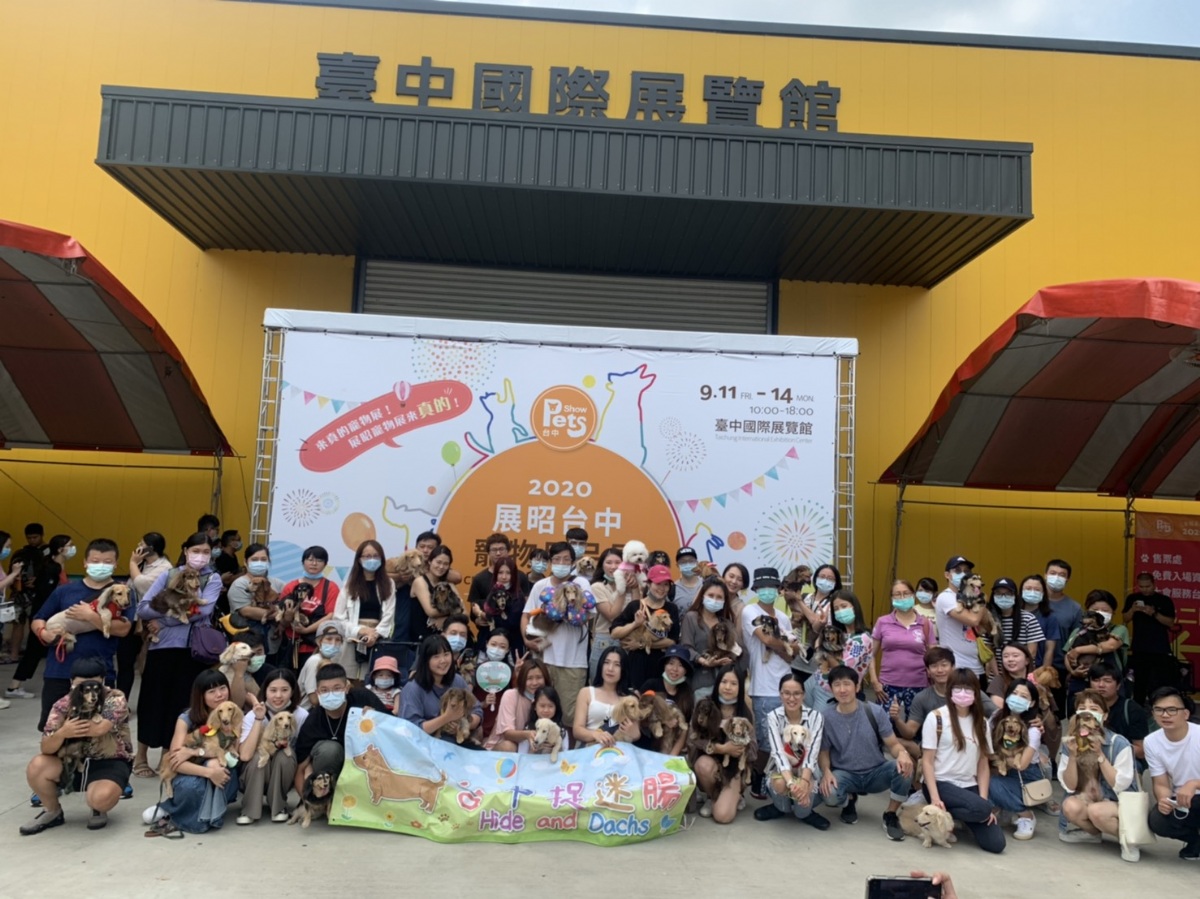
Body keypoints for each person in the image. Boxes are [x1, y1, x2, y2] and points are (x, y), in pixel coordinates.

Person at [135, 534, 220, 778]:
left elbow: (202, 611)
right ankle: (140, 757)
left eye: (206, 551)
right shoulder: (168, 574)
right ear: (185, 550)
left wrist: (163, 622)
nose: (200, 556)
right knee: (152, 700)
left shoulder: (212, 578)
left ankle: (168, 756)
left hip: (192, 650)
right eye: (196, 550)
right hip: (162, 648)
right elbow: (144, 608)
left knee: (180, 704)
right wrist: (169, 614)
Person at [19, 657, 133, 835]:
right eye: (82, 685)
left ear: (103, 681)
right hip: (71, 760)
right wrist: (62, 733)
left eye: (94, 685)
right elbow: (46, 748)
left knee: (100, 799)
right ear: (72, 683)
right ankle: (52, 811)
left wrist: (71, 728)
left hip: (109, 761)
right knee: (37, 766)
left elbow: (99, 729)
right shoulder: (62, 704)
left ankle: (98, 808)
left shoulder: (115, 698)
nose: (90, 692)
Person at [143, 670, 262, 837]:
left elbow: (234, 754)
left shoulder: (234, 715)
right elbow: (176, 761)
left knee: (217, 766)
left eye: (222, 688)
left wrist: (197, 753)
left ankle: (174, 810)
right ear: (201, 695)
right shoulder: (186, 718)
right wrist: (209, 772)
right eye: (212, 691)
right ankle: (175, 809)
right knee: (195, 785)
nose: (219, 695)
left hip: (223, 772)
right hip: (191, 773)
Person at [31, 538, 131, 731]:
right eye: (95, 561)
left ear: (116, 564)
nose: (101, 565)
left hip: (99, 675)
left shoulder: (122, 592)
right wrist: (44, 634)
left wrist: (90, 616)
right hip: (60, 672)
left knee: (98, 731)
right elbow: (38, 619)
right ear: (85, 562)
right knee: (53, 730)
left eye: (107, 562)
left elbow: (124, 629)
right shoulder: (64, 591)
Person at [818, 665, 912, 839]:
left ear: (857, 686)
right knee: (829, 794)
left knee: (904, 767)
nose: (842, 689)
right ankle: (849, 799)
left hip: (876, 772)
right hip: (845, 773)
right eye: (837, 685)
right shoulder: (826, 717)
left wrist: (903, 754)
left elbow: (893, 744)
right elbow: (824, 751)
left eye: (847, 684)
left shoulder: (874, 711)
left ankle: (890, 814)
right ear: (831, 689)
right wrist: (826, 771)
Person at [920, 668, 1004, 853]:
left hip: (968, 785)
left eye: (968, 689)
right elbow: (927, 761)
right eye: (957, 688)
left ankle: (950, 817)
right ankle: (947, 813)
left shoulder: (981, 723)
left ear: (976, 693)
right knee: (980, 809)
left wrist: (983, 801)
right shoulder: (936, 718)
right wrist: (934, 798)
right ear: (949, 690)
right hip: (941, 783)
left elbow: (983, 764)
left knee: (996, 844)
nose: (963, 693)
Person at [1057, 688, 1139, 860]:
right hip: (1087, 796)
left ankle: (1129, 840)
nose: (1087, 714)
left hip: (1115, 800)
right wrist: (1072, 755)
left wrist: (1100, 754)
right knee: (1070, 806)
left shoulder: (1119, 743)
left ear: (1105, 715)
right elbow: (1069, 785)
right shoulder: (1070, 742)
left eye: (1094, 709)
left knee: (1097, 811)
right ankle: (1092, 834)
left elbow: (1120, 784)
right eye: (1082, 709)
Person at [520, 541, 594, 723]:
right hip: (543, 659)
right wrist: (527, 640)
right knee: (539, 710)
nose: (561, 563)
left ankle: (567, 743)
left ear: (573, 562)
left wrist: (569, 614)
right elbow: (526, 615)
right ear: (550, 562)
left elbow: (590, 614)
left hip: (573, 662)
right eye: (557, 559)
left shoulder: (581, 583)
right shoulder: (541, 586)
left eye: (566, 560)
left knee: (569, 715)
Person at [740, 567, 797, 799]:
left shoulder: (783, 617)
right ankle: (758, 779)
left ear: (778, 590)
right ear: (756, 589)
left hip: (787, 686)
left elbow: (793, 654)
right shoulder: (749, 611)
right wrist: (784, 646)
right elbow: (766, 639)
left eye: (772, 587)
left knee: (785, 738)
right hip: (763, 688)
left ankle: (779, 781)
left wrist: (783, 647)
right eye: (763, 587)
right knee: (765, 740)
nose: (767, 591)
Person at [293, 663, 387, 801]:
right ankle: (327, 800)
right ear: (317, 693)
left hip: (363, 762)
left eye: (337, 688)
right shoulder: (313, 720)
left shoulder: (364, 699)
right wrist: (308, 803)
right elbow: (300, 769)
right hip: (332, 768)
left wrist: (377, 719)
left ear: (347, 688)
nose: (331, 694)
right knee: (329, 750)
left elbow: (393, 730)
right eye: (324, 690)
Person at [754, 671, 828, 828]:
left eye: (797, 693)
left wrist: (804, 781)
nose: (792, 698)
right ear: (780, 695)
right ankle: (780, 807)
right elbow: (778, 753)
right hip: (781, 770)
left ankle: (804, 812)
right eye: (786, 693)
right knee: (780, 784)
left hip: (806, 770)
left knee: (802, 811)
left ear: (803, 695)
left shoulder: (816, 717)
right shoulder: (773, 717)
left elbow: (812, 752)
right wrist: (791, 783)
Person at [236, 668, 309, 824]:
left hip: (284, 774)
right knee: (258, 757)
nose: (278, 696)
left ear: (292, 691)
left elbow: (306, 752)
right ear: (265, 691)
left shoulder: (300, 715)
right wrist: (258, 718)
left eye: (284, 690)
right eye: (273, 690)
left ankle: (278, 807)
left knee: (286, 755)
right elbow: (245, 755)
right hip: (255, 774)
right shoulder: (252, 715)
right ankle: (249, 809)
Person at [8, 533, 72, 700]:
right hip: (45, 614)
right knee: (34, 650)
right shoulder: (52, 568)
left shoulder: (57, 566)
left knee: (47, 649)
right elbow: (47, 593)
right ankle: (14, 685)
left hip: (53, 614)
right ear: (60, 549)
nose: (73, 549)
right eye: (70, 546)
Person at [688, 665, 756, 823]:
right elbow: (693, 738)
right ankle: (712, 797)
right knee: (703, 765)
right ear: (717, 683)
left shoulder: (745, 711)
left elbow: (753, 749)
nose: (728, 687)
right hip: (711, 760)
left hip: (734, 768)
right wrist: (722, 748)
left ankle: (734, 796)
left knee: (723, 816)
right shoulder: (705, 705)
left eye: (734, 683)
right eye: (724, 682)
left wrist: (740, 749)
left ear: (740, 687)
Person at [987, 680, 1050, 840]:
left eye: (1024, 696)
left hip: (1025, 775)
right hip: (1001, 769)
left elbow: (1021, 765)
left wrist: (996, 756)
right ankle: (1001, 810)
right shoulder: (996, 716)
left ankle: (1026, 816)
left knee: (991, 783)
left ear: (1032, 702)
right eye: (1014, 694)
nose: (1017, 698)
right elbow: (986, 742)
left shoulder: (1033, 728)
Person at [1145, 685, 1200, 860]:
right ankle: (1196, 842)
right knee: (1158, 821)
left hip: (1195, 793)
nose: (1165, 715)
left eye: (1172, 710)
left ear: (1186, 714)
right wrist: (1164, 800)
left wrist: (1194, 784)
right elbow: (1160, 783)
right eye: (1159, 710)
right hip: (1183, 800)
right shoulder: (1151, 741)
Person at [873, 579, 936, 718]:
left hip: (919, 685)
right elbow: (870, 655)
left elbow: (933, 657)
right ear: (891, 598)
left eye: (906, 593)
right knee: (885, 726)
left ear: (913, 595)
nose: (902, 597)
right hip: (887, 686)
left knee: (915, 727)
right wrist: (874, 681)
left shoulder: (925, 623)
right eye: (897, 594)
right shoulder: (882, 622)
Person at [334, 539, 395, 680]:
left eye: (376, 556)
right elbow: (338, 617)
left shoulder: (388, 583)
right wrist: (359, 630)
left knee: (371, 678)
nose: (372, 559)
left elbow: (389, 614)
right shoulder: (349, 584)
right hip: (351, 637)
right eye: (367, 556)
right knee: (347, 677)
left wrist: (374, 634)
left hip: (377, 638)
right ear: (359, 559)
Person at [400, 634, 482, 738]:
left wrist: (464, 726)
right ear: (425, 660)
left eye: (446, 654)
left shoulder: (457, 680)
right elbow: (410, 728)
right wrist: (446, 718)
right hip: (425, 743)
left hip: (457, 739)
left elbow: (477, 710)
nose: (443, 661)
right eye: (436, 657)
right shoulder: (412, 688)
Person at [611, 563, 680, 687]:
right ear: (648, 584)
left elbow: (672, 641)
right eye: (658, 583)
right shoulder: (635, 606)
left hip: (660, 665)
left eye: (666, 584)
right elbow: (614, 633)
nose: (662, 588)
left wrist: (641, 644)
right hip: (636, 665)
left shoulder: (672, 608)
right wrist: (635, 624)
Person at [122, 532, 171, 696]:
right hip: (132, 618)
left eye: (141, 544)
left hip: (150, 622)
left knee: (146, 663)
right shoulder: (142, 564)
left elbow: (142, 585)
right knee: (126, 662)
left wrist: (132, 563)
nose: (138, 546)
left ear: (151, 548)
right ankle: (122, 701)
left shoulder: (164, 567)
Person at [681, 575, 744, 698]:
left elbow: (741, 651)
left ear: (724, 601)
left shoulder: (727, 624)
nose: (714, 600)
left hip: (725, 686)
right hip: (701, 683)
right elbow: (686, 647)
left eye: (719, 597)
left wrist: (732, 657)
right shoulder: (691, 618)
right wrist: (704, 661)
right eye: (710, 595)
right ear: (702, 596)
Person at [280, 545, 340, 670]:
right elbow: (281, 619)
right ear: (303, 562)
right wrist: (287, 618)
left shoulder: (331, 587)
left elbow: (330, 615)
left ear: (325, 564)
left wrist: (306, 630)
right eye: (310, 559)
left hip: (316, 646)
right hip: (290, 645)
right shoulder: (290, 587)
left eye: (319, 560)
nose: (314, 563)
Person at [1063, 589, 1128, 706]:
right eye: (1094, 610)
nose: (1099, 613)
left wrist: (1078, 650)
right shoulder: (1078, 631)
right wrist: (1073, 672)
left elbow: (1110, 645)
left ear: (1113, 612)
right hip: (1081, 681)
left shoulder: (1118, 630)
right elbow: (1068, 655)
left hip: (1109, 683)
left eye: (1105, 610)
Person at [1123, 572, 1177, 705]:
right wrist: (1133, 610)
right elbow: (1125, 619)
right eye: (1141, 586)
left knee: (1158, 682)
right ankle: (1138, 708)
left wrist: (1154, 613)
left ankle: (1159, 706)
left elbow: (1170, 622)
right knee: (1139, 681)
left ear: (1154, 584)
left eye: (1147, 586)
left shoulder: (1164, 600)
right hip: (1139, 646)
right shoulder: (1132, 598)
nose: (1145, 589)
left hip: (1159, 647)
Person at [572, 645, 636, 748]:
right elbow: (577, 730)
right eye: (606, 662)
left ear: (623, 669)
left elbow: (636, 734)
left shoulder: (630, 699)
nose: (610, 668)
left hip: (619, 751)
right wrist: (595, 734)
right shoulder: (586, 692)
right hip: (590, 749)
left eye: (617, 665)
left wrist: (632, 732)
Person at [1088, 661, 1149, 767]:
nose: (1101, 685)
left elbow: (1141, 751)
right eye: (1096, 680)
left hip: (1125, 760)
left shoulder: (1132, 709)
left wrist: (1109, 749)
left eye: (1107, 681)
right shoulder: (1082, 707)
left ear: (1118, 685)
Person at [226, 543, 286, 650]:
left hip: (274, 642)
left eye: (263, 559)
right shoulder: (240, 584)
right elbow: (246, 611)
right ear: (245, 562)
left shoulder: (278, 583)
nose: (259, 562)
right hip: (248, 642)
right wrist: (279, 614)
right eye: (254, 559)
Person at [487, 658, 552, 751]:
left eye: (539, 678)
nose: (534, 683)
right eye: (529, 678)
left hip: (534, 747)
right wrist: (527, 734)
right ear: (522, 679)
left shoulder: (549, 696)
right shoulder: (510, 695)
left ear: (545, 679)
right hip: (506, 746)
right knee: (509, 747)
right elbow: (507, 733)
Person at [936, 555, 984, 675]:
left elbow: (986, 626)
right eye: (957, 571)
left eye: (966, 571)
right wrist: (982, 599)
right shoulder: (946, 597)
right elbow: (973, 620)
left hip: (976, 664)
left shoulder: (971, 597)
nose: (963, 574)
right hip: (957, 666)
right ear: (947, 575)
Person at [1043, 559, 1082, 709]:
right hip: (1028, 664)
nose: (1056, 577)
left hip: (1059, 668)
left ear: (1067, 579)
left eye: (1062, 575)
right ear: (1045, 575)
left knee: (1055, 712)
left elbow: (1077, 640)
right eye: (1053, 573)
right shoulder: (1030, 602)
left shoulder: (1074, 608)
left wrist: (1070, 669)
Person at [639, 645, 696, 746]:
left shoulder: (687, 693)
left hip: (671, 747)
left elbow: (684, 729)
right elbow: (638, 719)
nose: (675, 669)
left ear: (685, 670)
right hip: (644, 745)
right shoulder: (651, 685)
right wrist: (664, 721)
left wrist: (673, 754)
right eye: (671, 663)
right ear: (664, 666)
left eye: (680, 665)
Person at [588, 547, 627, 680]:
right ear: (602, 566)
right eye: (609, 562)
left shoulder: (633, 584)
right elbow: (612, 616)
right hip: (605, 639)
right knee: (598, 682)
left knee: (624, 684)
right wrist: (622, 589)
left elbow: (637, 610)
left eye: (617, 562)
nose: (613, 567)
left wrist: (633, 588)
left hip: (628, 639)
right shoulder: (597, 587)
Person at [467, 533, 532, 611]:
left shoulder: (520, 576)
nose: (498, 553)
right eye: (494, 550)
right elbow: (474, 607)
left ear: (508, 551)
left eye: (501, 549)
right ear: (488, 552)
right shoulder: (479, 579)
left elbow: (527, 606)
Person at [830, 589, 877, 694]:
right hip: (824, 687)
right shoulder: (838, 635)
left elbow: (843, 667)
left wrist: (826, 653)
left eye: (844, 606)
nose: (840, 611)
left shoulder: (862, 638)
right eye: (836, 609)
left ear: (854, 607)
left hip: (845, 692)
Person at [476, 554, 526, 652]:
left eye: (508, 573)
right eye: (500, 572)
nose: (504, 577)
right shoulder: (491, 591)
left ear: (514, 575)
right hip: (488, 643)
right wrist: (479, 617)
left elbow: (511, 622)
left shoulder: (518, 596)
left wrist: (482, 614)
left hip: (511, 645)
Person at [987, 577, 1044, 661]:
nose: (1003, 597)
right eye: (998, 593)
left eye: (1008, 593)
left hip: (1023, 668)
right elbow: (988, 651)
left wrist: (1016, 667)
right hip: (996, 668)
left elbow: (1032, 653)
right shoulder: (988, 620)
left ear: (1015, 596)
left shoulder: (1029, 619)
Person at [412, 544, 459, 633]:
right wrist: (455, 608)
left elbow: (465, 614)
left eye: (446, 564)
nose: (441, 567)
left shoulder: (449, 584)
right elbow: (431, 611)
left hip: (444, 635)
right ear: (430, 561)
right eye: (438, 562)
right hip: (421, 634)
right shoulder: (420, 581)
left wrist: (446, 619)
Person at [1019, 574, 1061, 671]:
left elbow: (1049, 649)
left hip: (1037, 668)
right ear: (1021, 591)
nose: (1032, 592)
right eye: (1028, 588)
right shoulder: (1013, 613)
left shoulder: (1050, 617)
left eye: (1037, 589)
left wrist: (1043, 672)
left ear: (1043, 593)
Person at [299, 624, 346, 708]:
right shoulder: (315, 661)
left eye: (338, 640)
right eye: (329, 639)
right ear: (319, 642)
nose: (333, 643)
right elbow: (314, 699)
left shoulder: (331, 661)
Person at [518, 686, 571, 754]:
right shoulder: (528, 730)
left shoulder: (561, 730)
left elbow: (565, 754)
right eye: (542, 706)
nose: (546, 710)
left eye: (550, 706)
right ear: (535, 707)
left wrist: (556, 747)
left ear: (556, 707)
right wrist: (534, 749)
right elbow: (522, 754)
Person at [672, 546, 703, 615]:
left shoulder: (705, 584)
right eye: (683, 562)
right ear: (677, 565)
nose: (687, 564)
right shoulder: (672, 590)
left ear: (697, 563)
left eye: (691, 561)